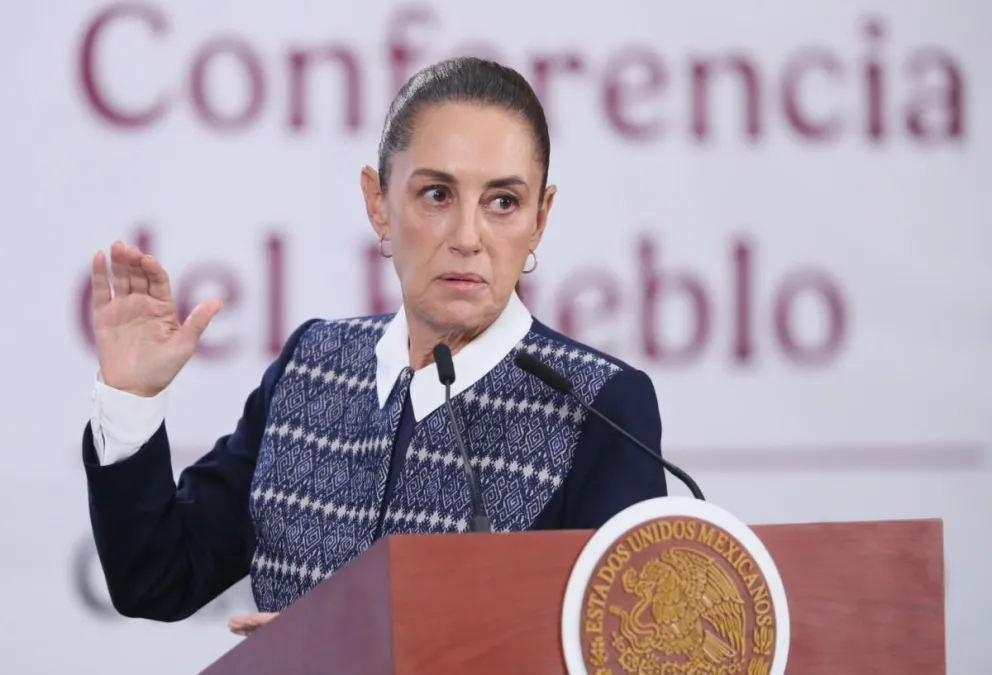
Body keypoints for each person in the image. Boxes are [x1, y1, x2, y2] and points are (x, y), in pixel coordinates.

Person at [82, 57, 668, 636]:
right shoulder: (313, 367)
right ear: (378, 203)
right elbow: (157, 578)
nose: (468, 237)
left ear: (539, 219)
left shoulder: (596, 405)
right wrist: (132, 400)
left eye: (503, 202)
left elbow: (623, 646)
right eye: (436, 194)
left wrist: (362, 648)